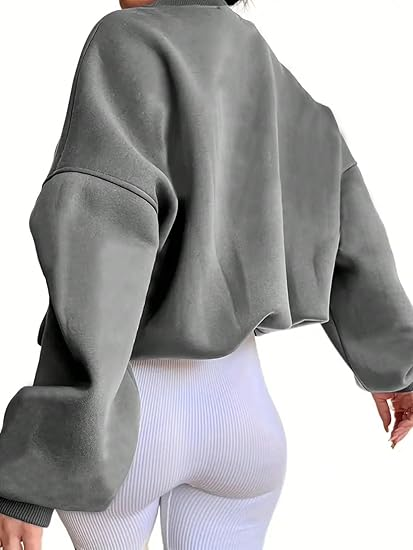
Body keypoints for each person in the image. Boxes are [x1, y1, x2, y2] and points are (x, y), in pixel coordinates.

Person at [1, 0, 413, 548]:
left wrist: (34, 475)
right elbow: (347, 227)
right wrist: (396, 370)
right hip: (242, 425)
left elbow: (98, 257)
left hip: (128, 427)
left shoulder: (125, 41)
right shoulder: (266, 68)